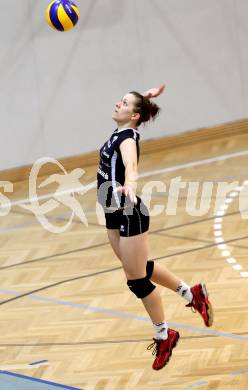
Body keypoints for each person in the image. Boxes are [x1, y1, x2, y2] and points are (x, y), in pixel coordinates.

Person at [97, 85, 213, 370]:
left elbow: (131, 165)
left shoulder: (126, 138)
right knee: (137, 266)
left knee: (136, 280)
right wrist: (145, 98)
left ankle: (165, 335)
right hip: (112, 210)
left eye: (123, 103)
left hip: (128, 209)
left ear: (133, 116)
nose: (117, 103)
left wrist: (131, 184)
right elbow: (136, 113)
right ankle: (191, 294)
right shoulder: (124, 129)